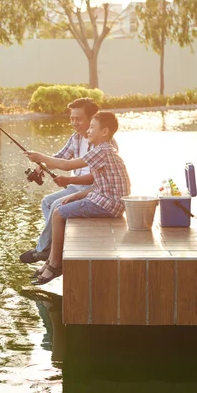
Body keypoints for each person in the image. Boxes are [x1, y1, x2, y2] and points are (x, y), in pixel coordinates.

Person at [25, 111, 131, 285]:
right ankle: (51, 259)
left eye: (91, 127)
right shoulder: (104, 150)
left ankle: (55, 264)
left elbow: (65, 165)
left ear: (104, 132)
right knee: (59, 204)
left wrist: (40, 157)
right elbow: (101, 184)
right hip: (108, 200)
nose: (88, 131)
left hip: (109, 205)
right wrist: (77, 194)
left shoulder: (102, 151)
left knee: (59, 213)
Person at [19, 97, 117, 264]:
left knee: (58, 204)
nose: (74, 123)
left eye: (78, 119)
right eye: (72, 118)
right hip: (76, 186)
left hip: (93, 190)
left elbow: (95, 177)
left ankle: (42, 250)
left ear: (92, 118)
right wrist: (40, 166)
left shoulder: (106, 144)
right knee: (47, 202)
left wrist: (68, 179)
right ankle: (54, 243)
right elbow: (60, 157)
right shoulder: (76, 138)